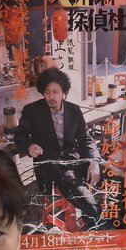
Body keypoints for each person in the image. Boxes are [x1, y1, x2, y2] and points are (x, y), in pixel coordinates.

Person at [12, 67, 102, 225]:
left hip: (74, 161)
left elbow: (85, 139)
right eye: (47, 92)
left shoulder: (74, 110)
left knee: (113, 175)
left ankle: (91, 221)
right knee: (89, 203)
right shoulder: (32, 110)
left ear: (63, 92)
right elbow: (19, 134)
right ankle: (95, 222)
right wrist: (29, 146)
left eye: (55, 92)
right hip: (50, 166)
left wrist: (94, 161)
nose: (51, 97)